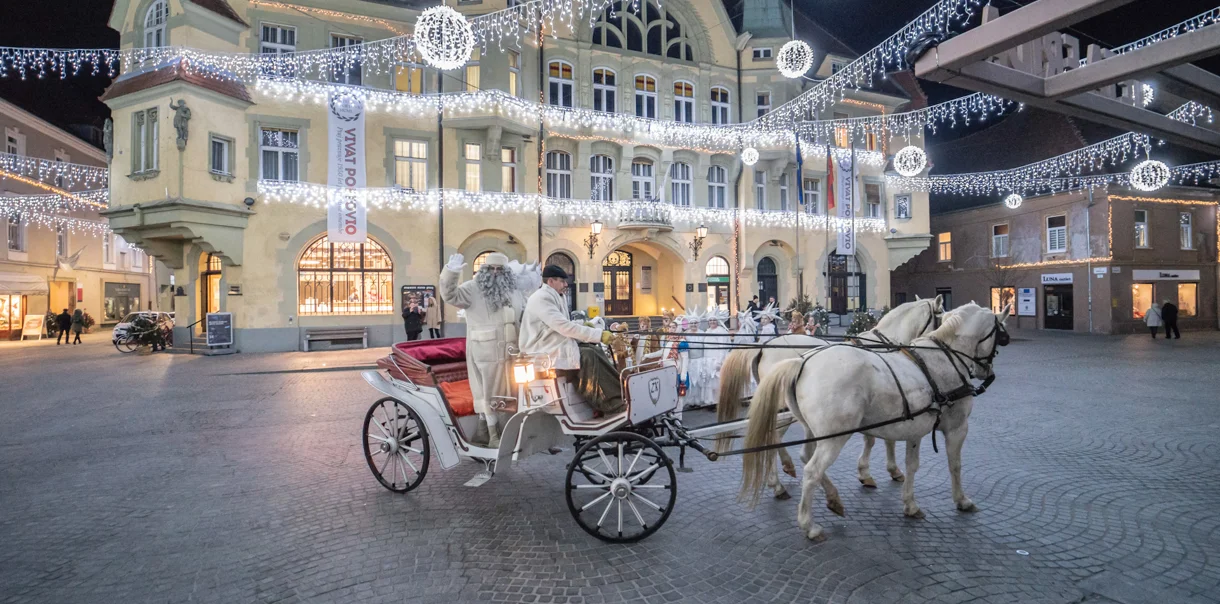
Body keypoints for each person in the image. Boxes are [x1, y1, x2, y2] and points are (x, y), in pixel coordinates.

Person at [439, 252, 527, 448]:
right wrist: (450, 272)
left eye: (499, 269)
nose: (495, 273)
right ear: (484, 270)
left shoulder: (514, 292)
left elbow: (522, 318)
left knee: (510, 391)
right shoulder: (472, 288)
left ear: (506, 272)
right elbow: (450, 295)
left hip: (512, 352)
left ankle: (496, 432)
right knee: (488, 393)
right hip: (485, 351)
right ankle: (493, 435)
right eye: (491, 269)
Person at [518, 265, 622, 415]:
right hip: (541, 350)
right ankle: (608, 403)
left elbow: (563, 324)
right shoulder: (542, 298)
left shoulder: (555, 296)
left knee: (593, 349)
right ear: (551, 281)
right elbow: (563, 327)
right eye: (562, 281)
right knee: (587, 356)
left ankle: (617, 395)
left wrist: (584, 326)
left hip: (553, 345)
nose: (566, 285)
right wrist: (598, 335)